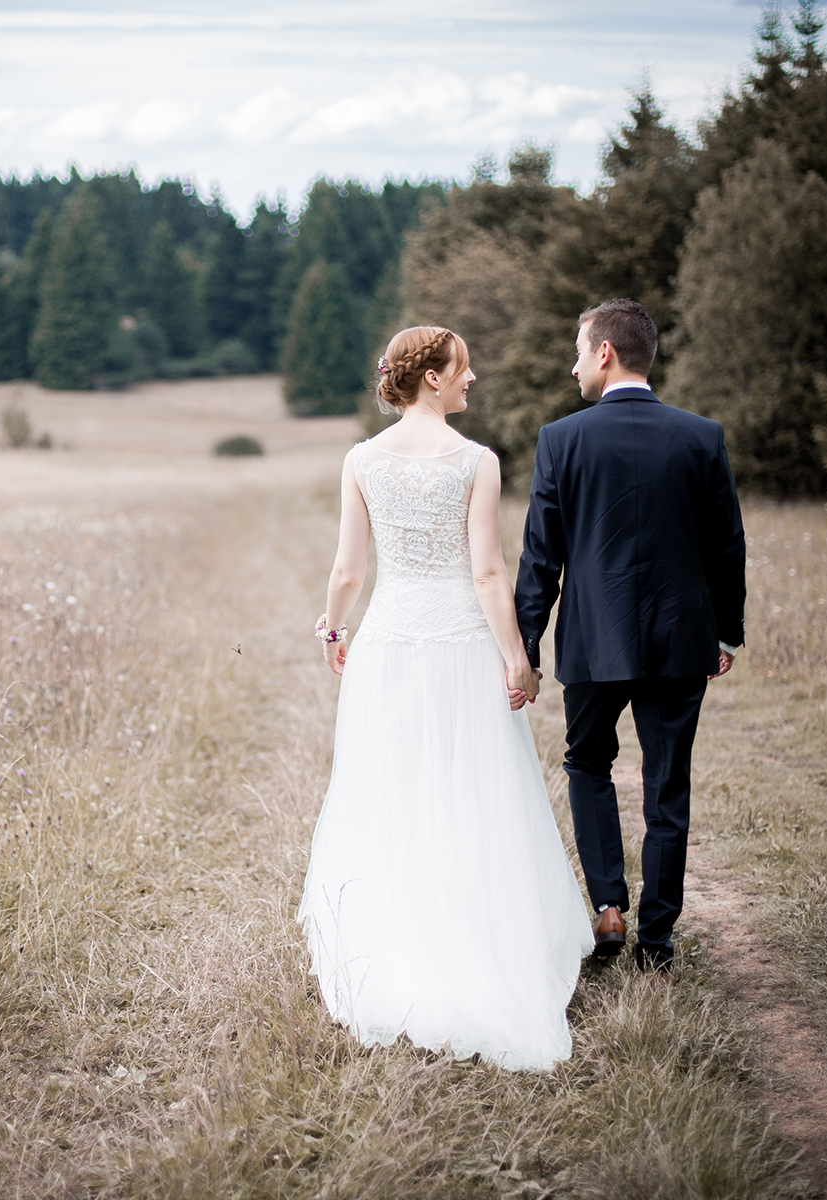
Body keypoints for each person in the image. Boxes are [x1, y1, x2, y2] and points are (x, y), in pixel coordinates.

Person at [298, 325, 595, 1071]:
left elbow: (346, 570)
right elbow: (490, 575)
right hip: (460, 643)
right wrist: (517, 659)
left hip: (390, 643)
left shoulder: (363, 459)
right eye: (463, 368)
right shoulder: (475, 462)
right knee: (470, 789)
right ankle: (482, 943)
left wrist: (333, 631)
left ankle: (395, 946)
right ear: (432, 376)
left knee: (390, 790)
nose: (473, 379)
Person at [513, 298, 747, 973]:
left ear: (606, 353)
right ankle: (657, 943)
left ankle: (610, 905)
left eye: (580, 349)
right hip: (681, 641)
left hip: (593, 642)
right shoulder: (701, 436)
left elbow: (540, 558)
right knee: (667, 783)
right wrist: (725, 633)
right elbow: (726, 547)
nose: (573, 363)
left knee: (587, 764)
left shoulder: (562, 439)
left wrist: (526, 646)